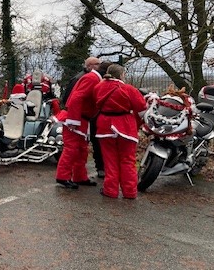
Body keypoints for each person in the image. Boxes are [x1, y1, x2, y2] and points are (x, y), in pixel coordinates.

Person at [93, 64, 147, 199]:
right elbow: (142, 110)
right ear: (121, 75)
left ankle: (110, 190)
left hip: (104, 125)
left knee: (109, 160)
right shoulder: (128, 89)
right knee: (127, 160)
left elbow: (96, 103)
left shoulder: (98, 87)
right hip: (125, 126)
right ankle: (130, 192)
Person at [55, 60, 105, 189]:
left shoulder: (91, 78)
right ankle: (63, 176)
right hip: (76, 118)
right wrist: (73, 120)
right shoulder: (91, 79)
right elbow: (76, 98)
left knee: (81, 149)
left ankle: (79, 176)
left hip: (81, 118)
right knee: (71, 149)